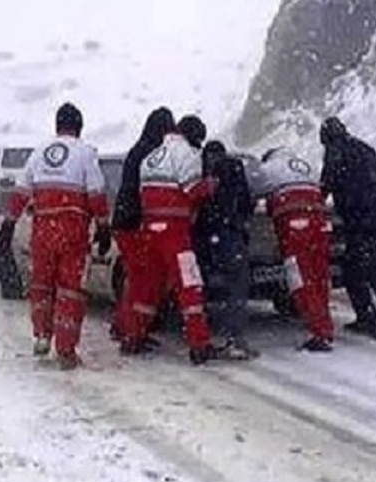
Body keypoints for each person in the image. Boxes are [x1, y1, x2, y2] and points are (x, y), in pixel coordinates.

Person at [0, 102, 111, 369]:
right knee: (70, 289)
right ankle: (66, 350)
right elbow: (96, 193)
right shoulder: (85, 153)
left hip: (43, 229)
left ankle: (42, 336)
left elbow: (21, 193)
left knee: (41, 286)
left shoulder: (39, 153)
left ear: (57, 126)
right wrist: (103, 227)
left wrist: (8, 225)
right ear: (79, 127)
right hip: (73, 230)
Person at [126, 114, 219, 365]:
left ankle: (134, 337)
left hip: (149, 231)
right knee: (189, 287)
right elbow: (192, 190)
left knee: (148, 288)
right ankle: (199, 345)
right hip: (175, 233)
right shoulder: (186, 154)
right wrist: (211, 185)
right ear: (193, 137)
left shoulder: (150, 157)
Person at [318, 117, 376, 341]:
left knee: (372, 272)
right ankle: (366, 317)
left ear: (326, 138)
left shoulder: (336, 152)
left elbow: (325, 187)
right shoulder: (365, 149)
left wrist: (314, 201)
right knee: (355, 269)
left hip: (361, 221)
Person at [254, 147, 335, 352]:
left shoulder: (267, 169)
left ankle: (319, 332)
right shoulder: (307, 166)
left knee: (300, 278)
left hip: (294, 223)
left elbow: (253, 194)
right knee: (320, 276)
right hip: (319, 221)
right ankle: (325, 324)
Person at [110, 106, 174, 351]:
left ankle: (123, 327)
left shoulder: (137, 150)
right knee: (144, 282)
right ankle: (133, 335)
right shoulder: (152, 155)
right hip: (135, 223)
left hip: (124, 221)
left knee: (135, 278)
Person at [195, 140, 257, 360]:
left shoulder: (198, 170)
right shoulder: (234, 168)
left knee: (198, 288)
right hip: (230, 236)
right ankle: (234, 337)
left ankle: (199, 336)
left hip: (202, 239)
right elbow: (247, 202)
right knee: (237, 286)